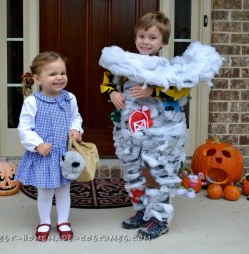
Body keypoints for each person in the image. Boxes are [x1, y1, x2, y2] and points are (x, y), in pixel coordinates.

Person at [100, 12, 189, 239]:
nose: (145, 42)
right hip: (131, 131)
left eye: (152, 37)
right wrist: (112, 94)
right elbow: (106, 81)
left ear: (163, 43)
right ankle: (141, 210)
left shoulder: (166, 68)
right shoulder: (124, 66)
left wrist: (153, 91)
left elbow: (182, 89)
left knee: (155, 172)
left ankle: (159, 218)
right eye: (141, 36)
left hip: (159, 135)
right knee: (133, 171)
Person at [15, 51, 83, 241]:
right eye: (53, 74)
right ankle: (44, 221)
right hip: (44, 154)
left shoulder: (70, 98)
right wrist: (37, 144)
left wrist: (76, 129)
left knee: (63, 189)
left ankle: (63, 221)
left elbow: (75, 117)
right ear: (37, 79)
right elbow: (24, 128)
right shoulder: (32, 102)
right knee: (45, 191)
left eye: (63, 72)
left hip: (63, 154)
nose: (59, 77)